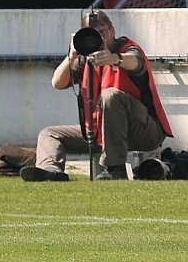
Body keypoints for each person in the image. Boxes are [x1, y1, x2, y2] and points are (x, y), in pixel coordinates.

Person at [21, 9, 172, 182]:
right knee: (49, 134)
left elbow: (135, 61)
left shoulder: (126, 48)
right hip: (99, 131)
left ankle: (115, 168)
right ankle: (50, 171)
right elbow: (57, 83)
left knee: (110, 96)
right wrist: (71, 56)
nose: (99, 39)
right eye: (94, 35)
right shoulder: (85, 58)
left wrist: (115, 58)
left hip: (144, 131)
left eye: (103, 32)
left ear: (113, 30)